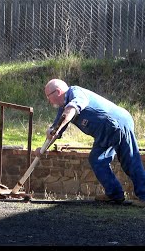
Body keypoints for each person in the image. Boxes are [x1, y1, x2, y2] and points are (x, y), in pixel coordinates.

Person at [42, 78, 145, 207]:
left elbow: (72, 108)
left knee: (129, 160)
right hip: (106, 131)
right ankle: (115, 195)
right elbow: (56, 132)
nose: (48, 100)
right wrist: (42, 150)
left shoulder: (75, 93)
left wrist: (55, 128)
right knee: (98, 160)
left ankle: (141, 196)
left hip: (116, 123)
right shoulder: (63, 109)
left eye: (48, 96)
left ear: (57, 92)